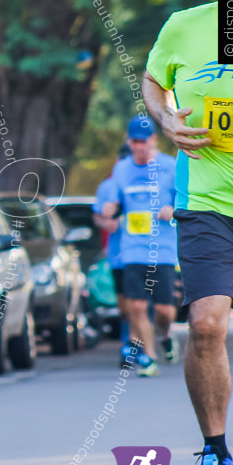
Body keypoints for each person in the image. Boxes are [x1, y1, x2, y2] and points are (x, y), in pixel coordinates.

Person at [142, 0, 233, 465]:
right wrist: (166, 118)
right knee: (206, 325)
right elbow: (156, 83)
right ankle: (214, 452)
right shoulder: (184, 26)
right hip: (207, 204)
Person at [101, 118, 178, 377]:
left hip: (163, 249)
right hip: (132, 248)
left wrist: (173, 211)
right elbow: (115, 204)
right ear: (128, 142)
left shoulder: (171, 166)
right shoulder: (122, 169)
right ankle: (150, 357)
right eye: (134, 142)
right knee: (135, 307)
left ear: (154, 140)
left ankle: (165, 334)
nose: (139, 148)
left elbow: (188, 201)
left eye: (143, 142)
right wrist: (110, 210)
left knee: (164, 311)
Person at [92, 144, 134, 365]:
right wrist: (106, 222)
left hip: (147, 254)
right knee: (126, 304)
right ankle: (130, 344)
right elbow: (98, 216)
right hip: (119, 255)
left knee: (142, 302)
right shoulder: (108, 186)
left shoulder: (148, 182)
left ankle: (139, 344)